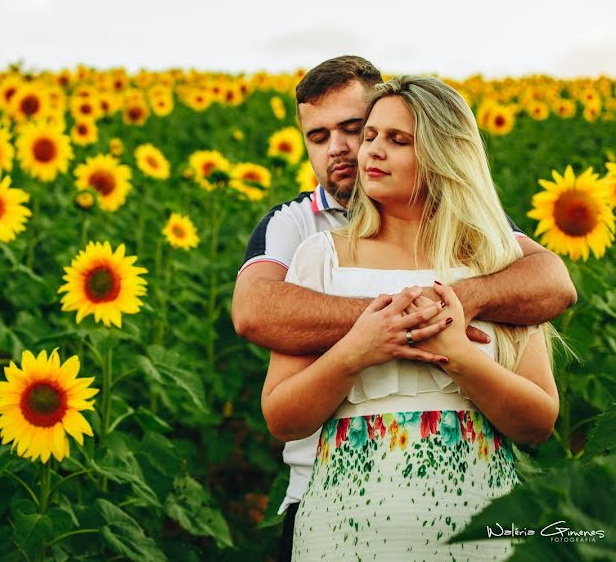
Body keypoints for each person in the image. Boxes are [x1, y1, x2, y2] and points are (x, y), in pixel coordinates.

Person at [231, 57, 576, 561]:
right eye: (320, 136)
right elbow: (255, 313)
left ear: (442, 153)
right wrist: (380, 331)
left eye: (366, 132)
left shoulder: (493, 256)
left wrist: (460, 330)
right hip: (334, 505)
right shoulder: (304, 237)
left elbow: (551, 285)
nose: (351, 150)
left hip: (482, 518)